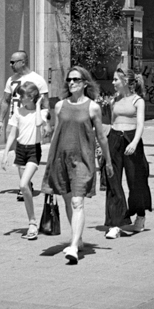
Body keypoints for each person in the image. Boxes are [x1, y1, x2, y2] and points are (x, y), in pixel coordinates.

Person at [41, 66, 106, 265]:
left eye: (76, 79)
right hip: (61, 159)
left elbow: (101, 136)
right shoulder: (60, 106)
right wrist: (51, 161)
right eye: (69, 80)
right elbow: (56, 134)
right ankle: (77, 238)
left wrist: (108, 160)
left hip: (83, 160)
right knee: (69, 200)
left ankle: (74, 247)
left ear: (85, 83)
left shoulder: (93, 107)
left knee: (78, 202)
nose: (71, 83)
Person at [101, 66, 152, 239]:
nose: (113, 82)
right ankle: (116, 223)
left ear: (125, 81)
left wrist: (135, 142)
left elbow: (140, 124)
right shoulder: (114, 100)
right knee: (113, 181)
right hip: (115, 139)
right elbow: (111, 122)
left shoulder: (138, 101)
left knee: (136, 181)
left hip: (131, 140)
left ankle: (140, 215)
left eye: (116, 79)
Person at [0, 80, 50, 239]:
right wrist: (5, 153)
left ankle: (33, 223)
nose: (20, 99)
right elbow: (12, 134)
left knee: (22, 185)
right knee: (25, 187)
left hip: (34, 151)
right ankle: (32, 223)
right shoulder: (18, 112)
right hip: (21, 150)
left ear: (32, 97)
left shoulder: (41, 112)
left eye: (23, 96)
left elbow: (38, 124)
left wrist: (38, 105)